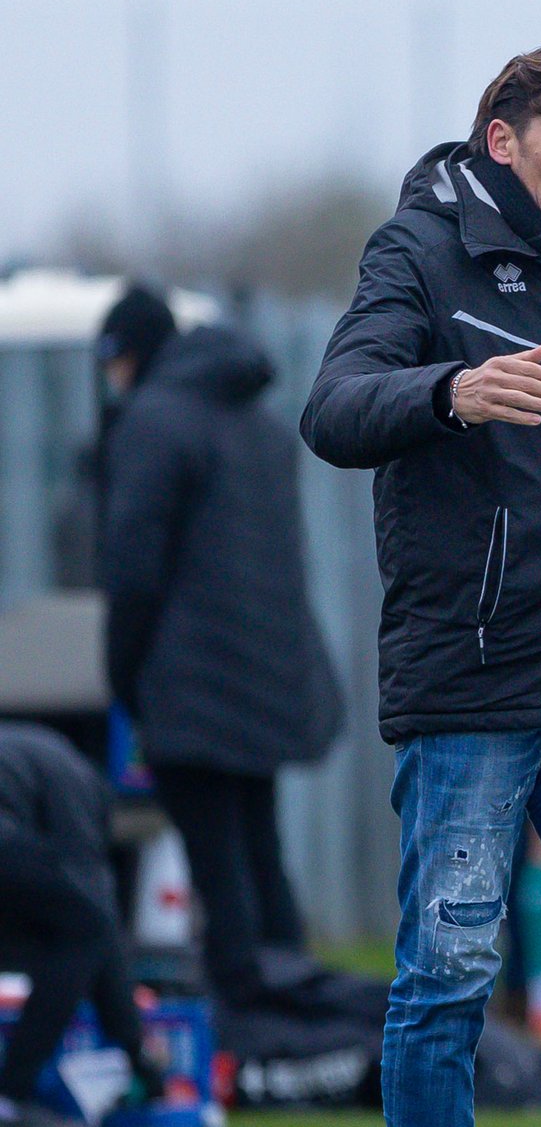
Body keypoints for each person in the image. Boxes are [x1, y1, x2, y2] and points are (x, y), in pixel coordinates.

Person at [301, 37, 541, 1127]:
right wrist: (451, 390)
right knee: (449, 974)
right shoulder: (417, 248)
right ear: (502, 141)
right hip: (474, 678)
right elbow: (333, 406)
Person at [96, 285, 342, 1011]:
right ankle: (300, 1000)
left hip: (191, 683)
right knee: (262, 851)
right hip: (267, 674)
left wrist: (123, 675)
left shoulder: (152, 421)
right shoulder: (257, 420)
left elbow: (133, 567)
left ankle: (248, 1015)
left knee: (216, 861)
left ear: (129, 355)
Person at [0, 723, 163, 1127]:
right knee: (84, 929)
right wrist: (139, 1053)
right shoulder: (79, 786)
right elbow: (97, 928)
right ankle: (10, 1094)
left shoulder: (33, 754)